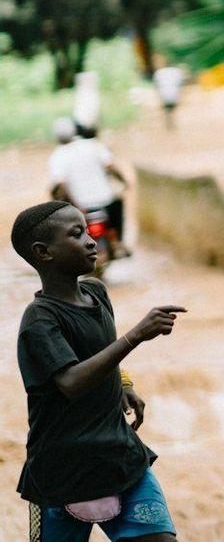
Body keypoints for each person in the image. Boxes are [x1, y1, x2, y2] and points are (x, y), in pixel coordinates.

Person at [12, 200, 185, 541]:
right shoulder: (40, 320)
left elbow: (100, 350)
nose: (92, 241)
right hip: (63, 474)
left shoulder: (96, 292)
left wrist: (123, 382)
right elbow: (72, 381)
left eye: (88, 231)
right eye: (77, 234)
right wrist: (136, 335)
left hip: (119, 458)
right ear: (43, 252)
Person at [48, 120, 130, 258]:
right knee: (118, 205)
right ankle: (118, 242)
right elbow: (110, 166)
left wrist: (76, 205)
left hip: (82, 206)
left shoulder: (57, 156)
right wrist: (123, 181)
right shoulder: (93, 145)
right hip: (105, 200)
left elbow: (61, 185)